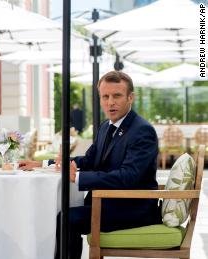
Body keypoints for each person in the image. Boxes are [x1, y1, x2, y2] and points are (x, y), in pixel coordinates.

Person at [19, 71, 161, 259]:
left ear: (130, 97)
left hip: (134, 208)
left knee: (67, 218)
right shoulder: (105, 127)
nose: (110, 102)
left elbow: (129, 176)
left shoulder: (142, 130)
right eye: (105, 96)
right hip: (109, 203)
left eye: (117, 95)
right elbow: (88, 161)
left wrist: (77, 177)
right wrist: (42, 163)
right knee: (58, 213)